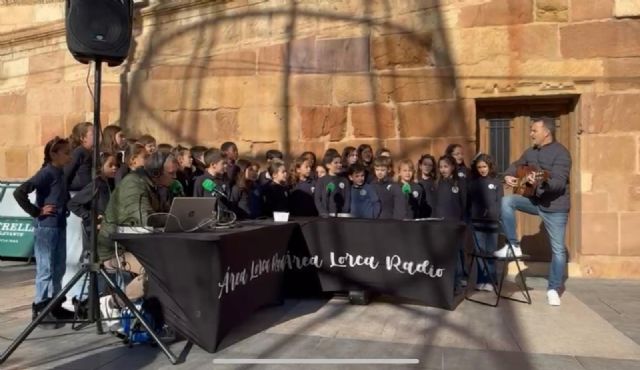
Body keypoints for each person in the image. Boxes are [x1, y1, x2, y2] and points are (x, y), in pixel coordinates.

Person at [495, 116, 571, 306]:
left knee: (558, 250)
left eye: (534, 130)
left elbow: (559, 184)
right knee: (507, 201)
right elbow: (516, 164)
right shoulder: (531, 151)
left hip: (556, 208)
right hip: (535, 201)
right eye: (530, 130)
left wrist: (538, 181)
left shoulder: (562, 154)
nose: (530, 134)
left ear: (546, 132)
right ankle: (514, 245)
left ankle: (553, 288)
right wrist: (509, 175)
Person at [96, 151, 178, 328]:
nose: (175, 177)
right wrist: (175, 219)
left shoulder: (153, 185)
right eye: (171, 173)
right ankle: (113, 303)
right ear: (157, 172)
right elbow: (144, 219)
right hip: (116, 249)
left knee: (174, 264)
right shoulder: (134, 185)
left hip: (137, 245)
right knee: (158, 270)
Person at [14, 137, 74, 327]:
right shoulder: (46, 173)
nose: (69, 156)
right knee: (46, 268)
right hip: (46, 227)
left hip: (59, 225)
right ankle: (41, 306)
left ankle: (54, 304)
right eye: (65, 152)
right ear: (53, 154)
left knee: (59, 268)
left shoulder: (60, 172)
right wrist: (37, 211)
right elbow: (20, 192)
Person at [467, 153, 502, 292]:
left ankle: (491, 280)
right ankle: (481, 280)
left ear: (490, 166)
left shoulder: (496, 182)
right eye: (479, 167)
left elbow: (499, 202)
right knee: (480, 252)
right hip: (477, 222)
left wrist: (498, 216)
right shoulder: (473, 183)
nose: (482, 169)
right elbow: (468, 203)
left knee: (491, 252)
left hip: (492, 222)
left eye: (484, 166)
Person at [314, 151, 350, 216]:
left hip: (341, 217)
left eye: (340, 163)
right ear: (328, 165)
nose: (339, 165)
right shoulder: (321, 181)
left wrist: (343, 214)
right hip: (325, 217)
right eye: (336, 163)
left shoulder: (345, 181)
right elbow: (317, 199)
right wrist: (323, 213)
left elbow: (347, 200)